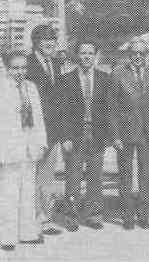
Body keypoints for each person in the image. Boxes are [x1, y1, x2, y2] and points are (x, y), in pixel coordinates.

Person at [59, 41, 113, 232]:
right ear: (77, 55)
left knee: (95, 177)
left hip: (97, 134)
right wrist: (64, 137)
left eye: (91, 53)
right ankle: (71, 216)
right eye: (83, 53)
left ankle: (93, 215)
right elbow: (63, 111)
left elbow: (109, 109)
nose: (87, 56)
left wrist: (109, 136)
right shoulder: (66, 79)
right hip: (75, 134)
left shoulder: (105, 78)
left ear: (96, 55)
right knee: (73, 176)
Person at [109, 39, 149, 230]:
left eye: (142, 54)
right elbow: (111, 107)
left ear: (146, 56)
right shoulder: (117, 75)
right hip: (125, 133)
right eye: (134, 54)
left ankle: (143, 214)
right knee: (125, 175)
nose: (138, 57)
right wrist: (115, 136)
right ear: (128, 55)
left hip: (146, 133)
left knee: (145, 175)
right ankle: (127, 216)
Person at [0, 51, 46, 251]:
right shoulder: (2, 89)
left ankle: (27, 232)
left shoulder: (31, 87)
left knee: (28, 192)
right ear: (7, 68)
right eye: (15, 68)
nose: (20, 72)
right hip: (9, 148)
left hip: (30, 147)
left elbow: (39, 118)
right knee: (9, 193)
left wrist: (41, 143)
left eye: (24, 68)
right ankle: (7, 236)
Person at [26, 24, 63, 236]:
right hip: (33, 131)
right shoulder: (27, 65)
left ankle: (44, 218)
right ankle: (29, 218)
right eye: (45, 39)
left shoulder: (57, 64)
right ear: (36, 42)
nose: (50, 43)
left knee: (46, 177)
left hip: (53, 131)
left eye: (53, 39)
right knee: (30, 174)